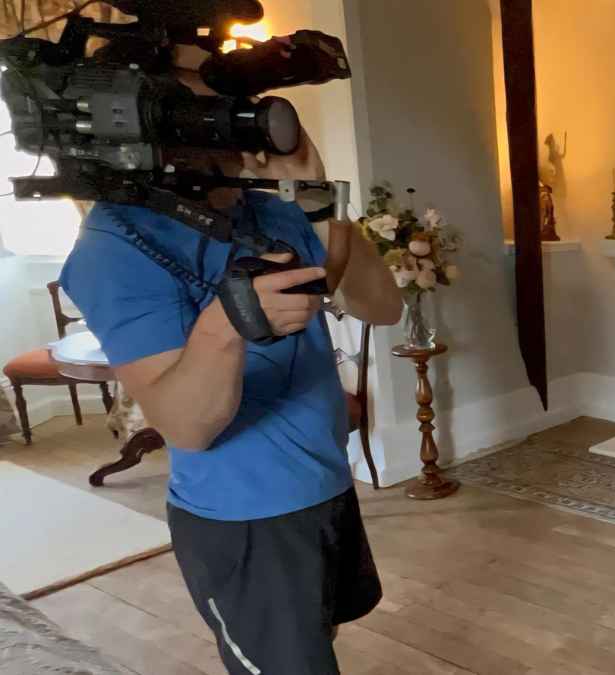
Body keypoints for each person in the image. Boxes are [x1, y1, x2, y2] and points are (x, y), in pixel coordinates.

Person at [59, 50, 406, 674]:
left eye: (223, 104)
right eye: (197, 107)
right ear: (138, 123)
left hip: (324, 488)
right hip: (247, 518)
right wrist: (227, 323)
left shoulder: (270, 210)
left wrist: (322, 200)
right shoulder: (115, 247)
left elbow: (381, 306)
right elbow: (187, 427)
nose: (227, 120)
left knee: (317, 642)